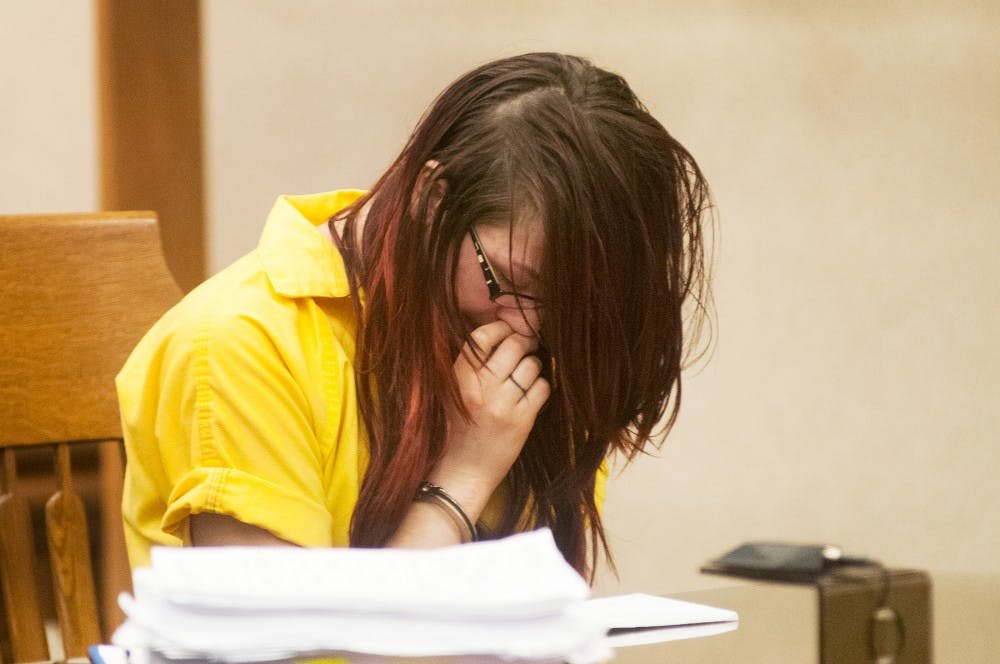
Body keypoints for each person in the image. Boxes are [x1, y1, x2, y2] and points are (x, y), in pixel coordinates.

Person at [116, 52, 713, 581]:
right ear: (434, 199)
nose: (529, 328)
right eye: (510, 282)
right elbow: (278, 649)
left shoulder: (547, 341)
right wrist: (463, 477)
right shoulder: (241, 341)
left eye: (569, 307)